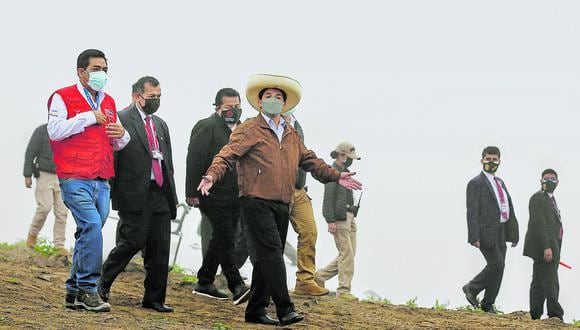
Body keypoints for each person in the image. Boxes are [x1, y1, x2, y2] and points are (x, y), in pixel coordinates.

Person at [198, 74, 363, 326]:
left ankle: (255, 310)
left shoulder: (290, 132)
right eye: (268, 97)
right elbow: (226, 155)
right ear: (260, 103)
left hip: (282, 202)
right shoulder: (250, 129)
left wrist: (336, 176)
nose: (273, 100)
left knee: (266, 259)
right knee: (273, 253)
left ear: (284, 104)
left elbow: (311, 160)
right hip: (255, 200)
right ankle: (285, 308)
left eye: (278, 97)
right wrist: (212, 175)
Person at [47, 49, 130, 312]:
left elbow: (117, 142)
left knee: (89, 231)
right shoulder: (62, 96)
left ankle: (73, 291)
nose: (102, 74)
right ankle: (87, 289)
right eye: (96, 69)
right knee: (92, 225)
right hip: (74, 175)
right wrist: (87, 117)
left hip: (101, 177)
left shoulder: (109, 101)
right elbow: (55, 131)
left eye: (104, 69)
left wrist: (122, 134)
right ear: (81, 72)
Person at [99, 76, 178, 313]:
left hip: (160, 193)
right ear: (137, 96)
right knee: (131, 242)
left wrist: (172, 194)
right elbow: (113, 157)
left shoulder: (160, 124)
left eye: (159, 96)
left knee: (160, 247)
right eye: (152, 97)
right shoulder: (122, 119)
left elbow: (168, 161)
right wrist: (110, 191)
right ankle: (101, 284)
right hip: (133, 192)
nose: (156, 101)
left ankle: (154, 298)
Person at [185, 88, 250, 304]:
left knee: (221, 237)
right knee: (226, 237)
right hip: (210, 192)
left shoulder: (243, 130)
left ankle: (204, 281)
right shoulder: (207, 126)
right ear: (217, 108)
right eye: (229, 107)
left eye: (237, 107)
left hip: (236, 194)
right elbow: (194, 159)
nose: (234, 111)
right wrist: (191, 192)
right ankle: (236, 284)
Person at [462, 146, 519, 314]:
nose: (491, 162)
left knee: (500, 268)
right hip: (486, 232)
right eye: (488, 159)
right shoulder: (475, 183)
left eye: (494, 159)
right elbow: (471, 211)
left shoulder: (500, 182)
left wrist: (513, 234)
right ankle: (471, 287)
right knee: (496, 264)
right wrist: (474, 236)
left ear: (499, 162)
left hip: (502, 230)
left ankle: (488, 304)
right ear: (482, 160)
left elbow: (508, 207)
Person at [282, 110, 329, 296]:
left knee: (309, 231)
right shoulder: (257, 124)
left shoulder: (296, 124)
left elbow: (303, 156)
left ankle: (305, 281)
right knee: (273, 238)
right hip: (274, 189)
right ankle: (229, 276)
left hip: (298, 189)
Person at [315, 142, 361, 301]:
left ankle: (319, 276)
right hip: (340, 218)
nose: (351, 160)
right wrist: (330, 220)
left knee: (348, 254)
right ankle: (343, 290)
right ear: (342, 155)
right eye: (349, 157)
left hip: (350, 217)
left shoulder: (345, 172)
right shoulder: (332, 173)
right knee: (346, 253)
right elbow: (327, 199)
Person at [523, 169, 564, 320]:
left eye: (553, 178)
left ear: (557, 182)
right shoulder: (538, 198)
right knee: (548, 280)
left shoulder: (551, 199)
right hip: (544, 248)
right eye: (546, 178)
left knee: (543, 279)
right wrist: (547, 247)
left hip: (553, 247)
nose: (549, 181)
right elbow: (538, 224)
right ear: (541, 181)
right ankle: (554, 313)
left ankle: (536, 313)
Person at [23, 124, 68, 255]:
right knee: (44, 207)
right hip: (44, 174)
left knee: (62, 211)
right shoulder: (41, 131)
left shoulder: (69, 130)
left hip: (64, 176)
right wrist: (27, 174)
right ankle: (32, 235)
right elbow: (30, 152)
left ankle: (59, 245)